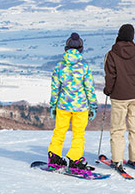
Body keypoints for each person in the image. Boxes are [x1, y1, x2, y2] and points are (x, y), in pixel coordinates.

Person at [48, 32, 98, 175]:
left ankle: (54, 159)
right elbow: (89, 88)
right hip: (80, 107)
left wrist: (53, 105)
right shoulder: (84, 67)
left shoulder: (59, 67)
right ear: (81, 49)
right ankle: (75, 161)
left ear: (66, 48)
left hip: (62, 106)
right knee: (78, 134)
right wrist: (93, 105)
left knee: (59, 131)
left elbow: (54, 89)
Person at [103, 24, 135, 172]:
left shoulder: (112, 54)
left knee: (117, 129)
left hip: (119, 97)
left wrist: (107, 91)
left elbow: (110, 76)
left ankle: (117, 160)